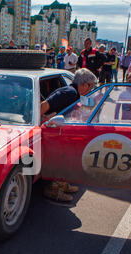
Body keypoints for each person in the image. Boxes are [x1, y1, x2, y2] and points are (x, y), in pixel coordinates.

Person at [40, 68, 98, 202]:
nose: (92, 90)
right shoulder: (69, 93)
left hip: (61, 132)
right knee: (59, 161)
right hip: (53, 133)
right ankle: (53, 190)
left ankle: (62, 184)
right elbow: (44, 105)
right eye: (91, 86)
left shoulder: (75, 94)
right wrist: (44, 119)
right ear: (84, 85)